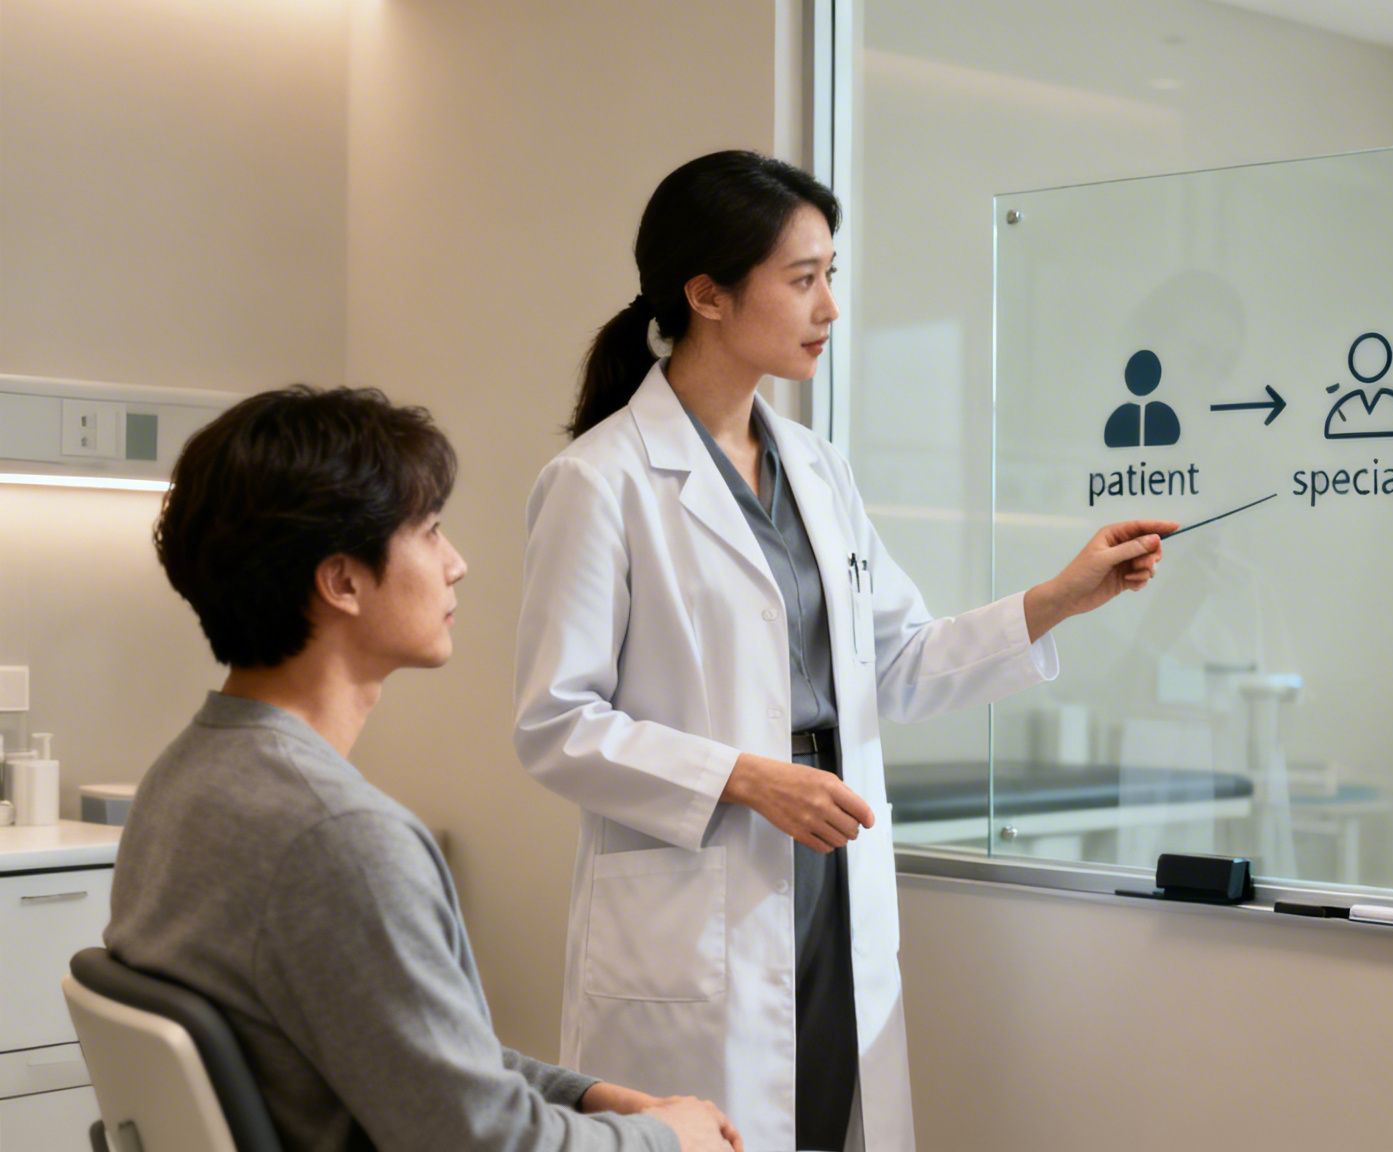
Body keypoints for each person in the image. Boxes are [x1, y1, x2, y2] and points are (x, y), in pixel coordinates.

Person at [513, 150, 1173, 1151]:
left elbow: (896, 664)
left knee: (828, 1118)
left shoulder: (818, 470)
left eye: (833, 274)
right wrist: (740, 777)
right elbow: (555, 726)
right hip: (703, 886)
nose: (829, 305)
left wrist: (1054, 601)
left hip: (829, 869)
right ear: (707, 295)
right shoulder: (599, 481)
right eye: (802, 278)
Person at [107, 386, 743, 1152]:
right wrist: (672, 1140)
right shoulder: (341, 840)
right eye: (432, 532)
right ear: (342, 581)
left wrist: (591, 1094)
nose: (457, 564)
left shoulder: (183, 782)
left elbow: (401, 1052)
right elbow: (482, 1143)